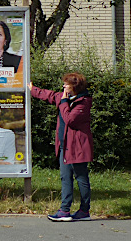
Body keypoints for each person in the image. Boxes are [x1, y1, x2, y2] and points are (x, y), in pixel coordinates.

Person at [31, 73, 93, 222]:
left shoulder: (83, 102)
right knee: (65, 178)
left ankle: (84, 211)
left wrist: (64, 101)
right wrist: (32, 89)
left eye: (66, 84)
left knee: (81, 177)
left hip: (77, 147)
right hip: (64, 146)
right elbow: (50, 95)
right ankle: (64, 210)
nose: (63, 86)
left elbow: (69, 119)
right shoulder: (64, 97)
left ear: (75, 87)